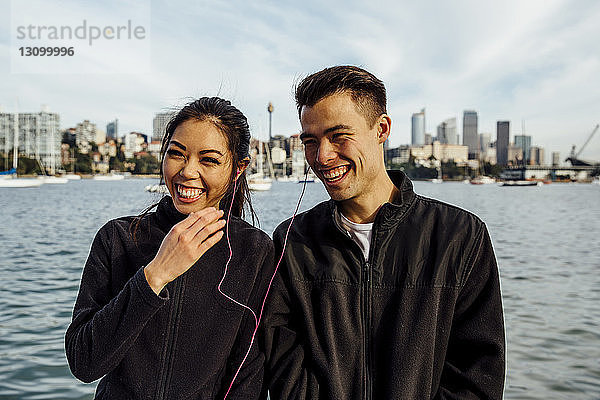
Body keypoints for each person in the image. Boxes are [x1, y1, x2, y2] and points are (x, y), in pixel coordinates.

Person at [261, 66, 505, 399]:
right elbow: (284, 365)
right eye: (310, 141)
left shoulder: (460, 237)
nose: (322, 156)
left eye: (339, 136)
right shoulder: (291, 242)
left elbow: (477, 376)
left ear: (381, 129)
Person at [66, 97, 274, 399]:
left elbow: (248, 375)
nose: (187, 171)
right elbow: (83, 363)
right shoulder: (118, 238)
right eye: (176, 154)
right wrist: (155, 275)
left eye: (209, 160)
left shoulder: (253, 252)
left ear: (238, 169)